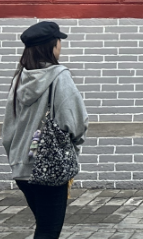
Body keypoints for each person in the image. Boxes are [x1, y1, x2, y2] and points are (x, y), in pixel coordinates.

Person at [2, 21, 88, 239]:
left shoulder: (19, 77)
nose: (61, 46)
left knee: (43, 225)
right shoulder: (59, 76)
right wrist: (75, 146)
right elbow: (74, 121)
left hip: (21, 167)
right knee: (49, 231)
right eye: (59, 41)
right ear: (51, 45)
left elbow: (9, 126)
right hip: (50, 167)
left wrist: (16, 157)